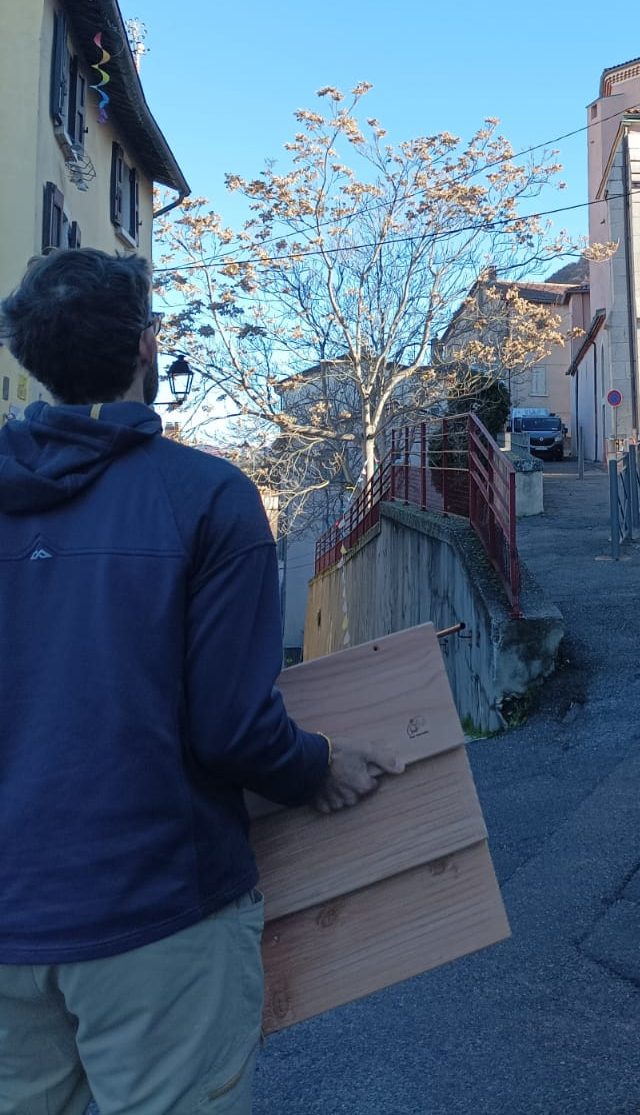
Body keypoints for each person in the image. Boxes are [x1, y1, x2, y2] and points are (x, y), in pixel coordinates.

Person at [0, 249, 401, 1115]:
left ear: (27, 355)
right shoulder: (209, 498)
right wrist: (316, 767)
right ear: (149, 345)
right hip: (156, 914)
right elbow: (230, 725)